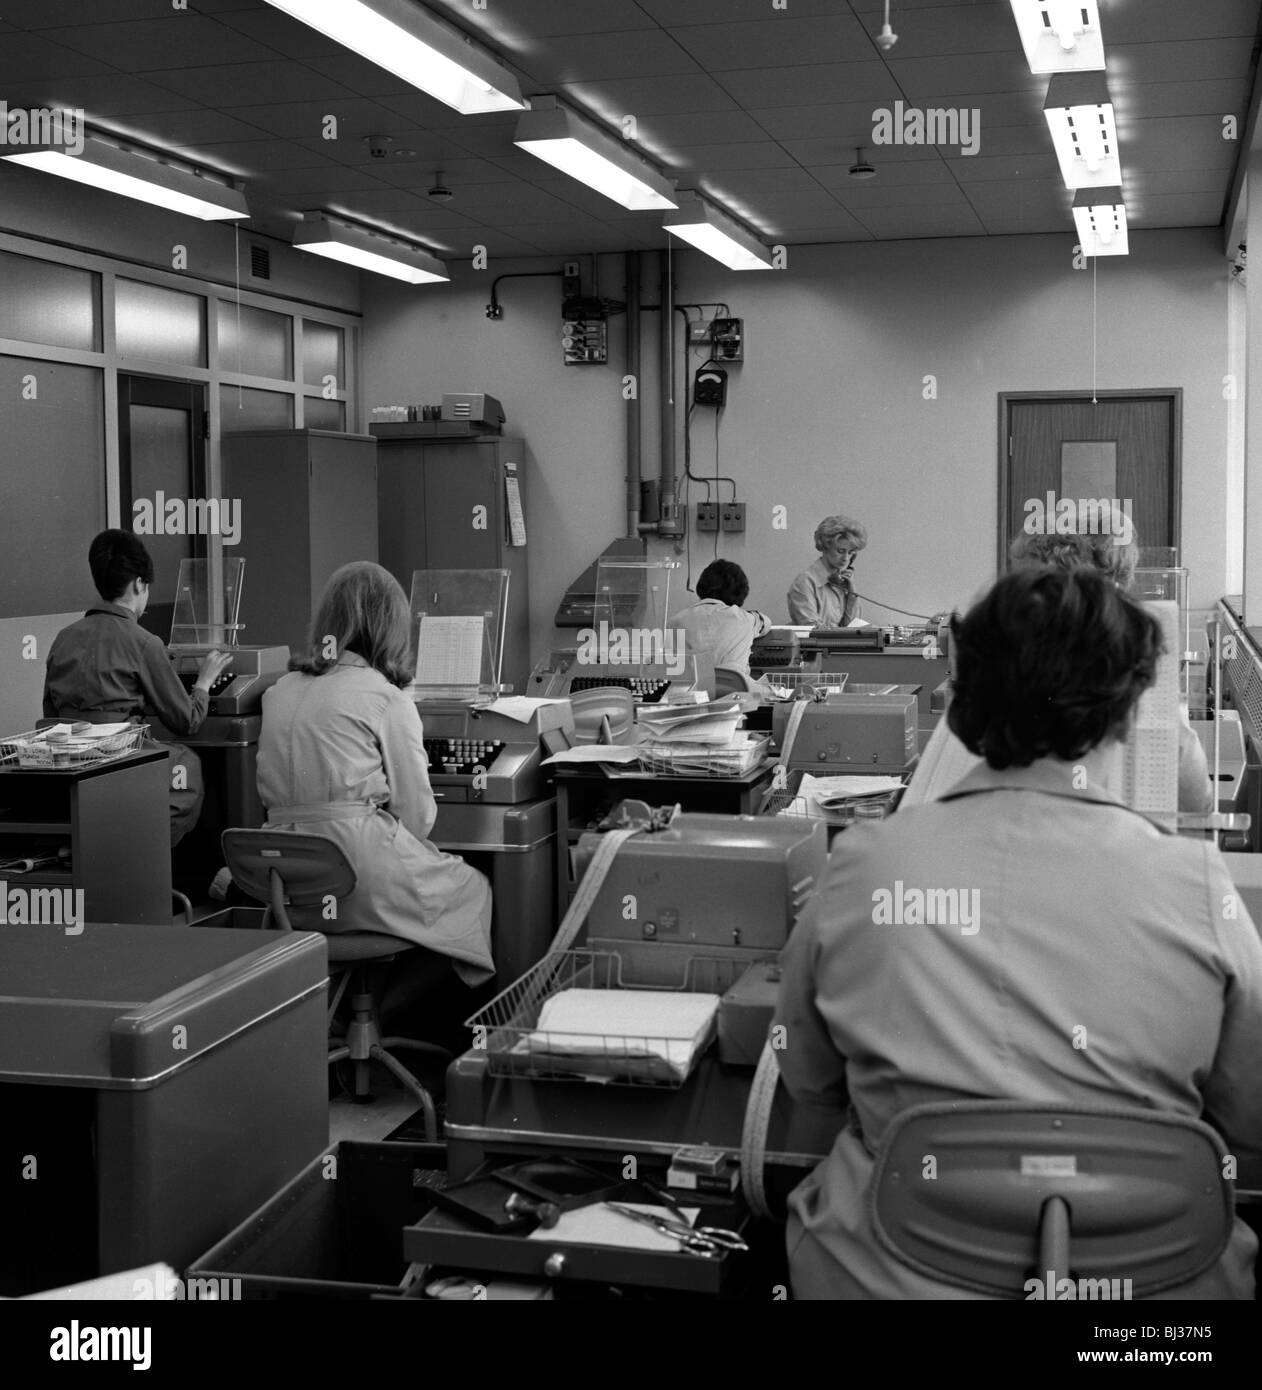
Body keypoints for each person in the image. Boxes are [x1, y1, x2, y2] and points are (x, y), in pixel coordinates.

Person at [775, 569, 1262, 1300]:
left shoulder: (866, 868)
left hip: (888, 1279)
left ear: (962, 707)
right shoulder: (1197, 885)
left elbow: (808, 1081)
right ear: (1127, 715)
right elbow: (1250, 1117)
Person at [256, 561, 493, 1037]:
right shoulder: (386, 698)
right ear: (389, 626)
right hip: (359, 881)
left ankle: (347, 1020)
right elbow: (418, 819)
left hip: (289, 891)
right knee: (475, 890)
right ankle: (383, 1020)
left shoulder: (278, 692)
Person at [902, 516, 1213, 813]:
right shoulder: (1018, 666)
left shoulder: (1113, 677)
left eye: (1035, 586)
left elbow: (1191, 792)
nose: (1021, 599)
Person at [42, 530, 229, 846]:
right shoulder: (143, 641)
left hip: (69, 762)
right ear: (140, 584)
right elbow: (186, 721)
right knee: (186, 768)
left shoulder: (64, 637)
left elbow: (50, 711)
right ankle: (144, 853)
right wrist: (204, 682)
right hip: (117, 759)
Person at [672, 560, 772, 678]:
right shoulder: (746, 619)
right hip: (733, 692)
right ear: (740, 592)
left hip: (689, 693)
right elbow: (766, 623)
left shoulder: (676, 621)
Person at [787, 515, 868, 628]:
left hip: (839, 644)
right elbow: (812, 630)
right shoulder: (804, 583)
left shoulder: (842, 582)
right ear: (825, 546)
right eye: (840, 551)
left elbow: (851, 628)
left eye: (850, 552)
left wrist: (851, 595)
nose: (845, 558)